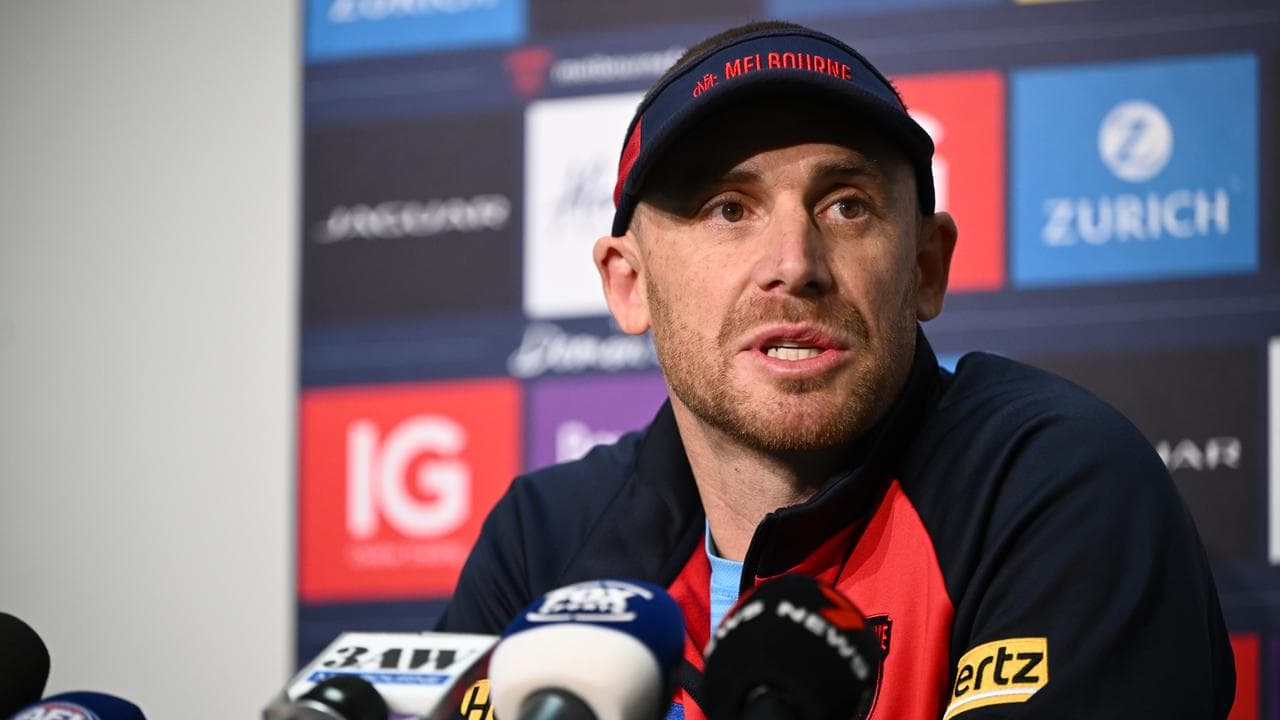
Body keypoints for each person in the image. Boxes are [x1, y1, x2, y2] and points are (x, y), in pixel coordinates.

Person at [438, 20, 1235, 719]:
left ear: (926, 266)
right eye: (728, 208)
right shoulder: (544, 542)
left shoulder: (1051, 483)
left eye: (846, 205)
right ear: (630, 282)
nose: (794, 264)